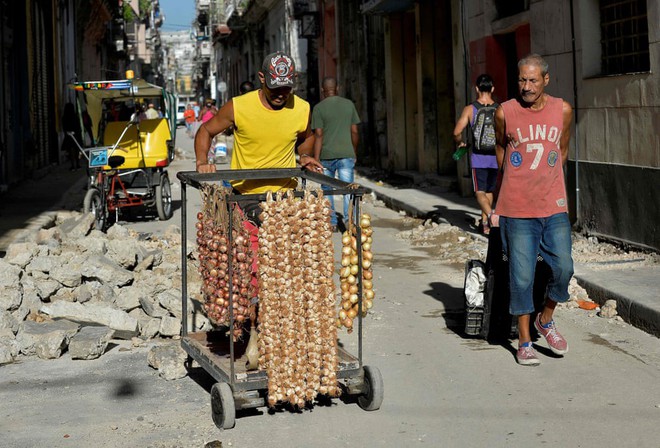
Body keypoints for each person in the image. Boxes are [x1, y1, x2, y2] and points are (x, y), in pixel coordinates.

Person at [492, 53, 574, 366]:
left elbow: (562, 149)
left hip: (553, 206)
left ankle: (546, 318)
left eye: (533, 80)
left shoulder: (562, 109)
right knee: (522, 277)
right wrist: (509, 188)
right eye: (522, 80)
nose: (526, 86)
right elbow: (501, 148)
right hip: (517, 210)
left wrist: (547, 181)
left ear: (546, 80)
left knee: (564, 267)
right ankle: (524, 340)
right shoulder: (505, 112)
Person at [195, 50, 323, 192]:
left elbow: (307, 136)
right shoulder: (238, 106)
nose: (281, 95)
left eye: (286, 88)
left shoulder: (302, 108)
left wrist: (304, 155)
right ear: (262, 78)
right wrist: (202, 162)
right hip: (246, 194)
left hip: (286, 195)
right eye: (275, 88)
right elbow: (205, 130)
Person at [311, 76, 360, 231]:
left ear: (322, 90)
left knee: (327, 190)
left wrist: (316, 158)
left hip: (325, 156)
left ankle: (331, 222)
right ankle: (348, 221)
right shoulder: (349, 105)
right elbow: (354, 131)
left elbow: (318, 135)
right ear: (337, 88)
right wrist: (354, 151)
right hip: (346, 154)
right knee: (347, 189)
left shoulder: (318, 108)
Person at [453, 74, 499, 235]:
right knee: (489, 191)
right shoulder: (499, 109)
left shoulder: (470, 109)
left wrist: (460, 143)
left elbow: (457, 131)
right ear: (492, 89)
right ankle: (484, 223)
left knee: (479, 191)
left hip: (478, 157)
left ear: (477, 89)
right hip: (495, 157)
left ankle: (492, 217)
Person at [61, 102, 82, 170]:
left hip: (69, 137)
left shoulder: (64, 117)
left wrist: (67, 132)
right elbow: (78, 126)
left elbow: (64, 127)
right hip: (76, 136)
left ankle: (73, 165)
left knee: (71, 151)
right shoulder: (75, 116)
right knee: (77, 150)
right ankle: (78, 164)